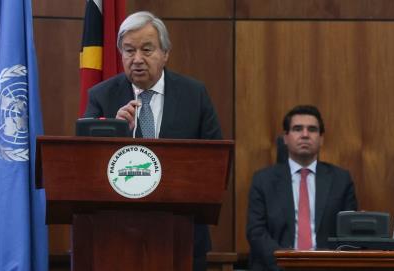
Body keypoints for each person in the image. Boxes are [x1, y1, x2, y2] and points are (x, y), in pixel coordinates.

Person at [83, 11, 222, 271]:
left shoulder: (194, 95)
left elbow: (215, 163)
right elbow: (83, 165)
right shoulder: (101, 97)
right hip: (115, 236)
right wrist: (114, 131)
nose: (137, 60)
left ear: (165, 53)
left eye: (147, 50)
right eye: (129, 51)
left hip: (181, 235)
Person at [246, 105, 358, 271]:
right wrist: (285, 264)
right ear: (285, 137)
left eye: (312, 129)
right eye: (297, 129)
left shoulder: (341, 180)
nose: (305, 135)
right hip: (276, 267)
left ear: (321, 139)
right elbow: (256, 232)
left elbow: (349, 233)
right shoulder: (263, 180)